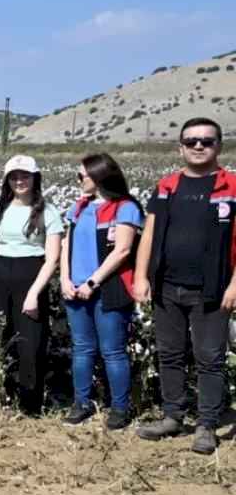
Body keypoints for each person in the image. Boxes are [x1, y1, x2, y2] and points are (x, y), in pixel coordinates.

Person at [134, 117, 236, 454]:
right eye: (191, 140)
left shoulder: (231, 187)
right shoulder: (166, 186)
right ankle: (172, 416)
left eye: (206, 141)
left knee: (210, 358)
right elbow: (148, 234)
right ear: (181, 146)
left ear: (218, 146)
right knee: (170, 355)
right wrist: (140, 276)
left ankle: (206, 424)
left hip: (213, 289)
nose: (198, 146)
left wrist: (235, 285)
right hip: (167, 286)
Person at [59, 153, 141, 431]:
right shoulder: (78, 207)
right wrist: (64, 279)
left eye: (82, 175)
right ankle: (81, 402)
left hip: (108, 289)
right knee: (82, 349)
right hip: (76, 289)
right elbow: (65, 245)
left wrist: (92, 283)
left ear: (99, 176)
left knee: (112, 351)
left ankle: (119, 407)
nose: (79, 180)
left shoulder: (125, 207)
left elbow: (123, 251)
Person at [0, 155, 63, 416]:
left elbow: (52, 259)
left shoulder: (47, 212)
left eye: (25, 175)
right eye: (14, 176)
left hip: (31, 277)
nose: (20, 181)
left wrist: (33, 294)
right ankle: (0, 397)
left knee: (31, 343)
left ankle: (30, 406)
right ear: (7, 180)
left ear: (35, 178)